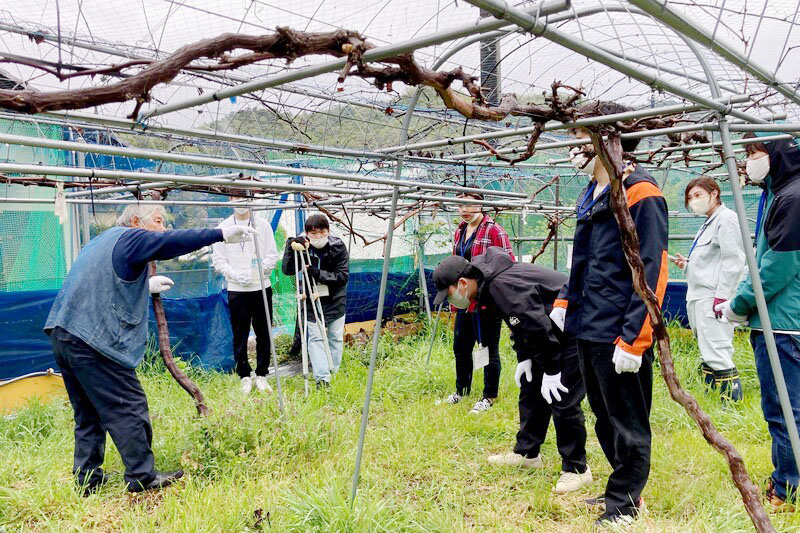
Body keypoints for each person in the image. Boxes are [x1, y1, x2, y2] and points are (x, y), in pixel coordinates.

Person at [44, 204, 256, 495]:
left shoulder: (102, 241)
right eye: (158, 221)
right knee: (128, 405)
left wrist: (145, 285)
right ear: (136, 221)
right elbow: (169, 243)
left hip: (63, 333)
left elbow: (104, 283)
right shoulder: (132, 237)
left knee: (88, 413)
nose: (164, 228)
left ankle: (87, 479)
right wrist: (219, 234)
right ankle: (142, 476)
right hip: (93, 340)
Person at [550, 102, 669, 526]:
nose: (573, 147)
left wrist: (637, 337)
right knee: (603, 414)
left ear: (608, 140)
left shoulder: (640, 192)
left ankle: (626, 504)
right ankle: (616, 488)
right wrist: (566, 300)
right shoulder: (593, 192)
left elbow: (652, 267)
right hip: (588, 325)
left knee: (629, 421)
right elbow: (581, 258)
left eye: (580, 138)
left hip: (620, 329)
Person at [432, 247, 592, 494]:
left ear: (462, 283)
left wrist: (550, 370)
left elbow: (536, 326)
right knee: (531, 389)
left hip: (574, 326)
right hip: (549, 328)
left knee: (562, 395)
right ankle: (527, 453)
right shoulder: (488, 284)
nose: (452, 301)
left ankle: (576, 469)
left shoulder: (500, 285)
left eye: (449, 294)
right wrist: (525, 357)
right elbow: (520, 323)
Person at [716, 135, 800, 509]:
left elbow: (776, 267)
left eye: (754, 153)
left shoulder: (792, 198)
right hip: (788, 318)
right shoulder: (783, 193)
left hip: (782, 322)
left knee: (784, 409)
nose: (747, 161)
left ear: (779, 153)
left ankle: (788, 488)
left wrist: (739, 304)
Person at [669, 177, 745, 401]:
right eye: (690, 197)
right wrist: (687, 266)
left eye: (698, 195)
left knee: (717, 349)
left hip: (713, 297)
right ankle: (713, 398)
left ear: (714, 193)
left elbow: (734, 261)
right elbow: (711, 262)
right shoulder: (709, 221)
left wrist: (722, 297)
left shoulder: (726, 219)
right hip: (699, 295)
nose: (694, 201)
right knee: (707, 349)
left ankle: (730, 405)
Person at [442, 189, 515, 414]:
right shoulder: (460, 231)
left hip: (486, 300)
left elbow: (507, 263)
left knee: (487, 347)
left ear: (481, 205)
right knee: (461, 347)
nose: (464, 210)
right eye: (460, 205)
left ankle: (489, 396)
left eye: (469, 205)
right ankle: (461, 390)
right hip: (464, 300)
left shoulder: (494, 231)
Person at [212, 196, 279, 395]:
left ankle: (262, 374)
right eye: (236, 197)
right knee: (240, 333)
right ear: (230, 199)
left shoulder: (263, 225)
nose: (241, 201)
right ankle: (244, 374)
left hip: (261, 286)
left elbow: (272, 255)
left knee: (264, 332)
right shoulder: (223, 227)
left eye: (245, 197)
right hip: (237, 289)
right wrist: (233, 274)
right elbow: (219, 259)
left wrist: (258, 271)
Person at [281, 214, 349, 386]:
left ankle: (334, 371)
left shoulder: (338, 246)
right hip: (311, 297)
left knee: (335, 337)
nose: (318, 236)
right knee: (315, 339)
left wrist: (319, 274)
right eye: (313, 233)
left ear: (328, 230)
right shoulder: (302, 247)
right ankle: (323, 379)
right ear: (306, 233)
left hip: (335, 298)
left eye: (321, 232)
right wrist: (290, 247)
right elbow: (288, 270)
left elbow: (342, 276)